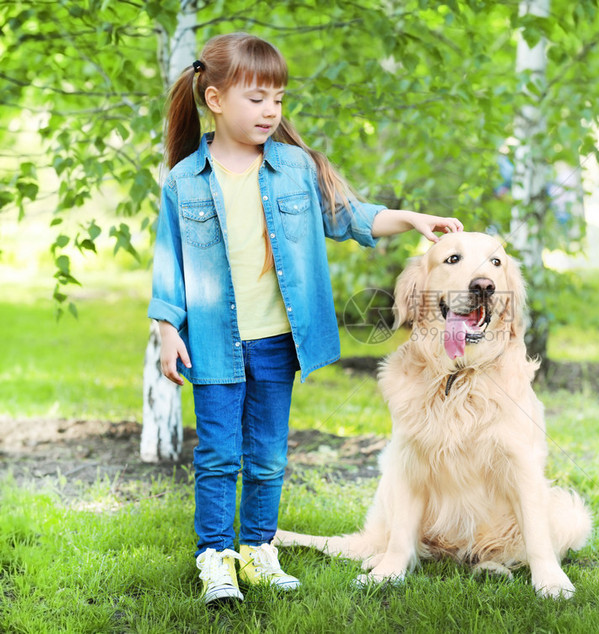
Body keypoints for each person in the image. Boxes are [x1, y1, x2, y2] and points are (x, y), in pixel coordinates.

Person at [147, 32, 462, 606]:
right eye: (257, 98)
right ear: (215, 100)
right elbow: (169, 260)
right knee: (218, 453)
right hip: (215, 342)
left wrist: (413, 218)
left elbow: (351, 216)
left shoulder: (295, 168)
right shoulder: (183, 182)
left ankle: (259, 549)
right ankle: (215, 558)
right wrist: (167, 329)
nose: (272, 110)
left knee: (267, 454)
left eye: (279, 98)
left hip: (276, 342)